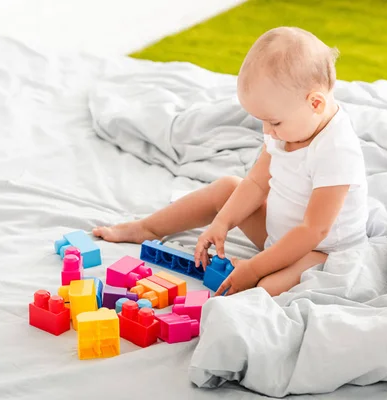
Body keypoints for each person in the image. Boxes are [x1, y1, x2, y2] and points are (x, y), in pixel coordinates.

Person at [93, 26, 368, 297]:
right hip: (277, 236)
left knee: (266, 288)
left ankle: (271, 269)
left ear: (315, 104)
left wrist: (254, 268)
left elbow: (313, 230)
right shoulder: (289, 127)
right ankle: (146, 228)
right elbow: (257, 182)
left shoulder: (336, 150)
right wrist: (222, 222)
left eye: (273, 122)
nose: (266, 131)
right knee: (227, 188)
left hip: (321, 249)